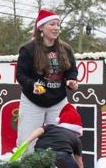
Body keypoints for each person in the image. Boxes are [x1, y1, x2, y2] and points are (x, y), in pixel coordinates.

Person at [15, 9, 79, 150]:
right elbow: (20, 75)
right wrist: (33, 85)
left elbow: (72, 70)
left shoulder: (66, 49)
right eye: (52, 24)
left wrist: (71, 80)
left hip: (58, 102)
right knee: (27, 141)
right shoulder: (28, 49)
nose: (56, 28)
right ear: (41, 27)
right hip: (33, 101)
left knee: (61, 140)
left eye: (58, 25)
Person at [20, 103, 84, 168]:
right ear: (77, 130)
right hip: (61, 153)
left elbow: (39, 130)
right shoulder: (76, 138)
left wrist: (27, 141)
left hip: (40, 149)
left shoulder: (51, 127)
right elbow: (79, 160)